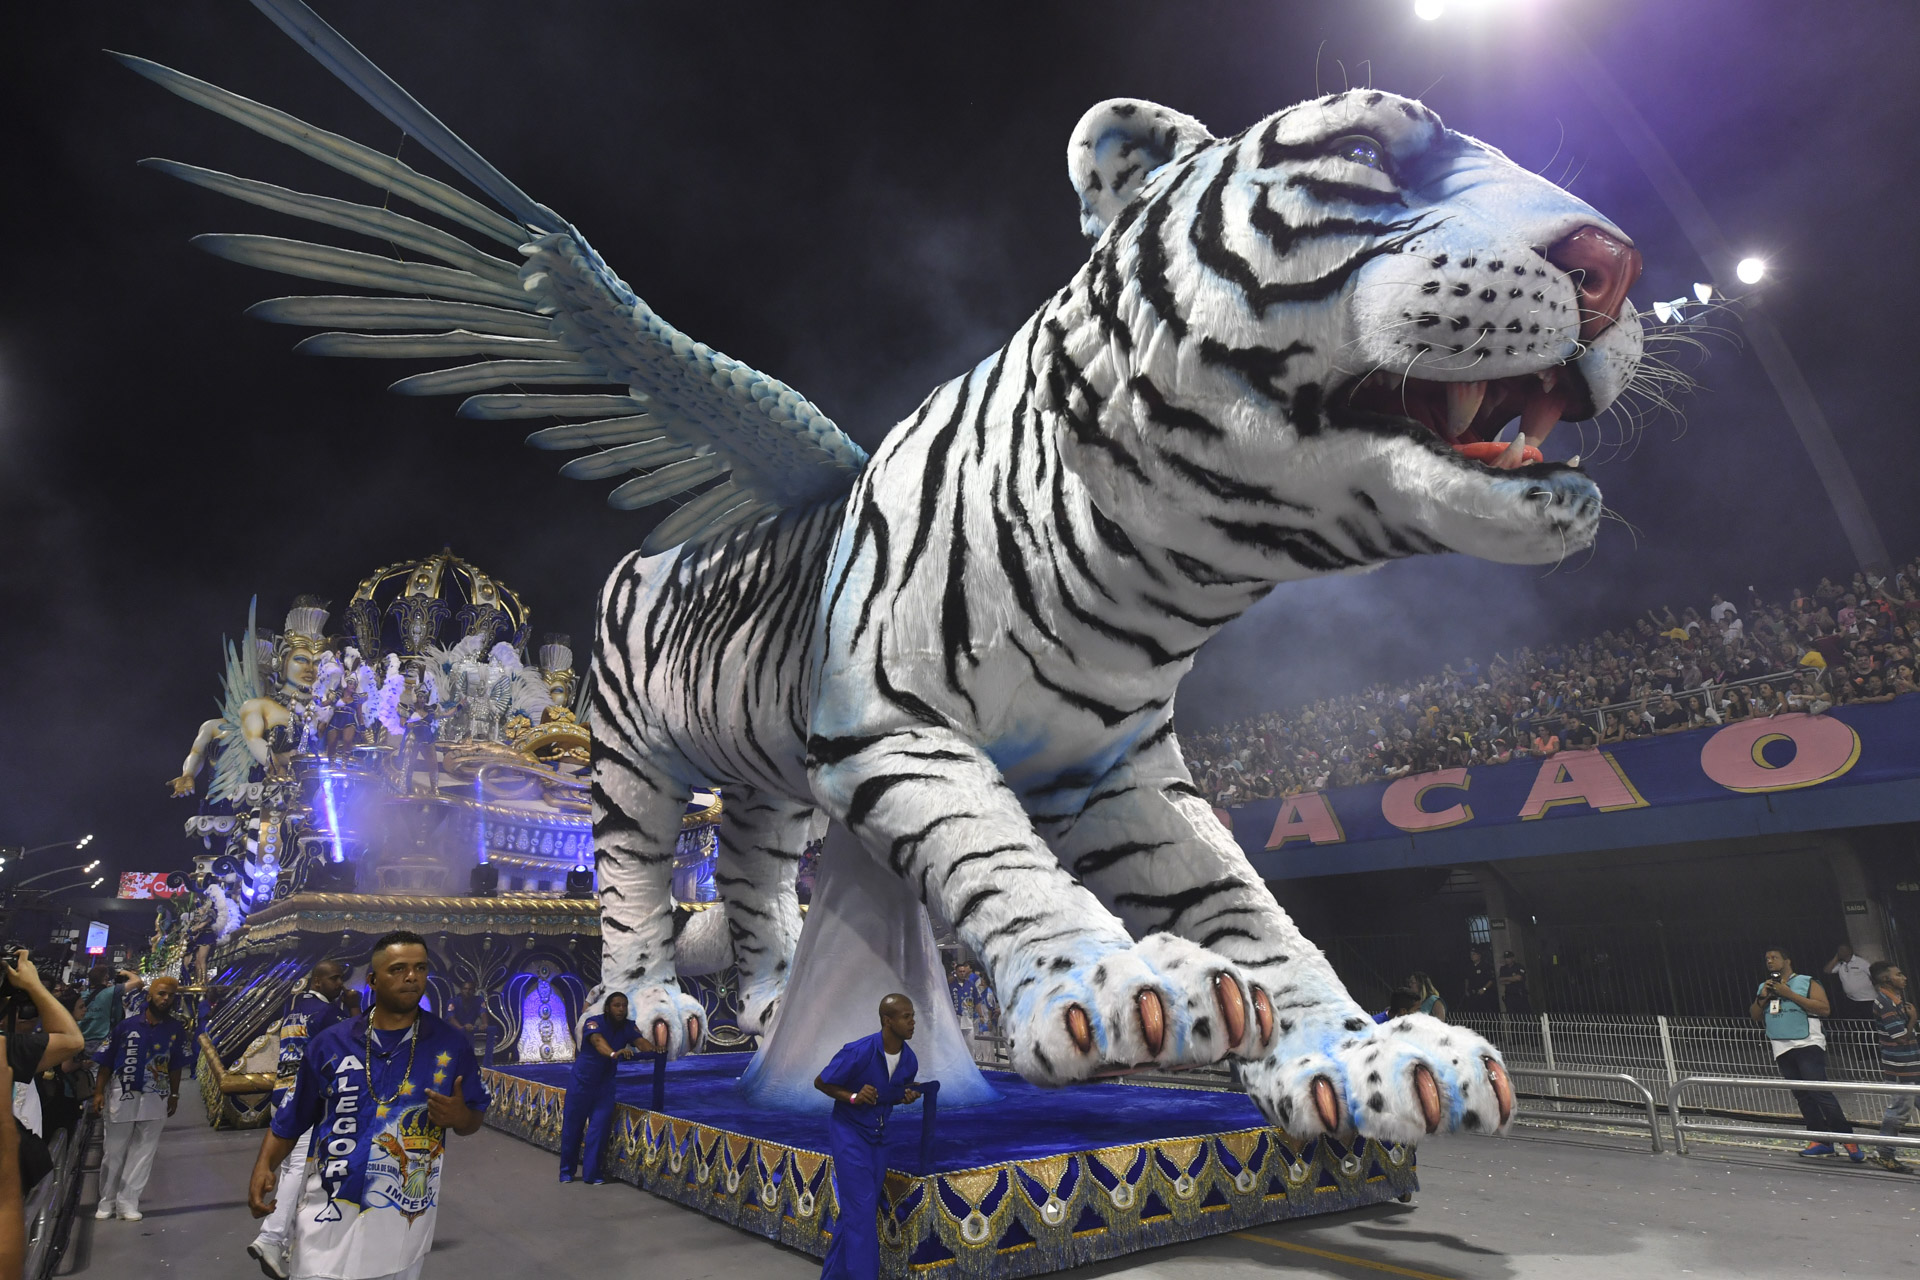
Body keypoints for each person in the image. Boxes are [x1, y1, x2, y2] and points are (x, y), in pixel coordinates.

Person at [249, 931, 488, 1280]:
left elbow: (474, 1116)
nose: (411, 976)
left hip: (403, 1216)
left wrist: (461, 1117)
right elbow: (293, 1117)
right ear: (373, 981)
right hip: (329, 1206)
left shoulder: (451, 1045)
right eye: (398, 969)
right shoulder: (331, 1043)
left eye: (420, 968)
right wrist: (264, 1165)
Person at [249, 960, 352, 1280]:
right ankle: (272, 1236)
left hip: (282, 1094)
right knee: (300, 1171)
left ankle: (285, 1240)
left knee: (296, 1169)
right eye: (334, 979)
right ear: (318, 982)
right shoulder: (328, 1015)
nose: (341, 984)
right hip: (306, 1102)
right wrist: (355, 1011)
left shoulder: (294, 1007)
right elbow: (351, 1046)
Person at [813, 995, 922, 1280]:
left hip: (880, 1138)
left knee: (857, 1210)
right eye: (906, 1016)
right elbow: (822, 1082)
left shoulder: (909, 1061)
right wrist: (852, 1095)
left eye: (912, 1016)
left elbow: (892, 1094)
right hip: (850, 1135)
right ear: (888, 1021)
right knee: (861, 1211)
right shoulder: (859, 1052)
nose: (912, 1023)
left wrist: (905, 1096)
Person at [1748, 947, 1862, 1162]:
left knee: (1819, 1091)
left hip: (1807, 1041)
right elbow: (1755, 1015)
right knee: (1802, 1095)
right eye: (1767, 959)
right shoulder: (1765, 986)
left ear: (1787, 961)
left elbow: (1824, 1009)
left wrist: (1789, 994)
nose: (1770, 961)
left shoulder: (1807, 982)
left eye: (1774, 958)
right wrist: (1763, 997)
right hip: (1781, 1045)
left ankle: (1847, 1138)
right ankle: (1820, 1140)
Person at [92, 975, 186, 1220]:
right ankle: (107, 1201)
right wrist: (98, 1093)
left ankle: (128, 1202)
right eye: (161, 994)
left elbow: (176, 1065)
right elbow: (106, 1061)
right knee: (114, 1149)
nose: (166, 999)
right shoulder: (126, 1026)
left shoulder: (176, 1029)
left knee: (144, 1151)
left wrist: (175, 1095)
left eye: (170, 995)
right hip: (121, 1094)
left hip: (157, 1095)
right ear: (149, 996)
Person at [559, 993, 645, 1184]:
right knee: (572, 1129)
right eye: (617, 1005)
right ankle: (566, 1171)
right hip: (581, 1084)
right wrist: (615, 1053)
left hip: (604, 1087)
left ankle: (592, 1174)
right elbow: (598, 1042)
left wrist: (656, 1048)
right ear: (608, 1008)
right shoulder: (593, 1022)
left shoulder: (629, 1026)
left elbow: (641, 1042)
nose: (621, 1009)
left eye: (624, 1005)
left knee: (598, 1131)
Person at [1870, 960, 1919, 1172]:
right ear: (1885, 979)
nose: (1904, 977)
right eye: (1898, 974)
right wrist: (1913, 1019)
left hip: (1910, 1064)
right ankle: (1885, 1153)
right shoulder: (1886, 1004)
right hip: (1902, 1067)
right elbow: (1899, 1037)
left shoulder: (1895, 1000)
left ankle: (1885, 1152)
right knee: (1899, 1110)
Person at [1823, 944, 1878, 1022]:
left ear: (1849, 951)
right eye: (1839, 951)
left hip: (1868, 999)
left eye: (1842, 950)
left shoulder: (1861, 962)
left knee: (1871, 1021)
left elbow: (1874, 975)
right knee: (1860, 1023)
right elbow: (1827, 970)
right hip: (1852, 1000)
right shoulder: (1840, 965)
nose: (1840, 952)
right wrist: (1836, 957)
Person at [1464, 947, 1497, 1014]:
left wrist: (1484, 989)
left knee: (1486, 1013)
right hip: (1473, 993)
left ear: (1479, 955)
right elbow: (1467, 979)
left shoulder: (1486, 966)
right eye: (1471, 954)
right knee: (1475, 1013)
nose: (1472, 956)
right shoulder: (1469, 967)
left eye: (1474, 954)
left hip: (1484, 994)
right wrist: (1466, 989)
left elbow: (1491, 980)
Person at [1498, 951, 1532, 1015]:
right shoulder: (1503, 968)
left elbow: (1519, 978)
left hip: (1519, 995)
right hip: (1509, 995)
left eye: (1508, 958)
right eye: (1505, 958)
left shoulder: (1519, 966)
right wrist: (1512, 978)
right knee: (1512, 1016)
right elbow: (1501, 980)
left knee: (1525, 1015)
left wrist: (1507, 979)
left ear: (1513, 958)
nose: (1506, 960)